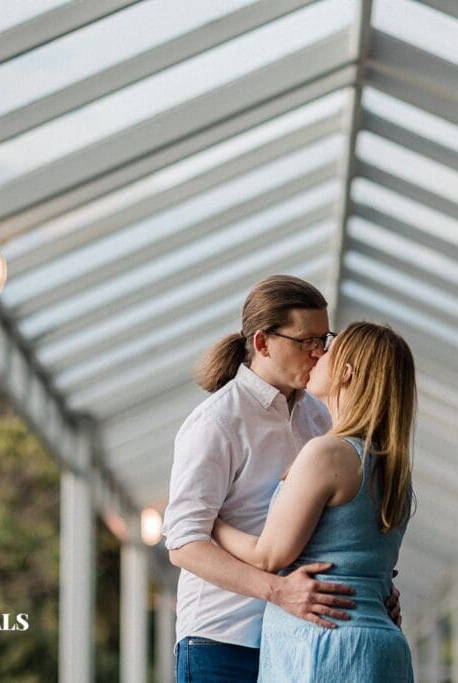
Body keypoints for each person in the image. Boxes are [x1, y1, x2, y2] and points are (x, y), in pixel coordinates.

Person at [162, 276, 400, 681]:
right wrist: (278, 591)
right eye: (305, 341)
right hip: (224, 638)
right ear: (262, 343)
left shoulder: (321, 418)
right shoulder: (218, 421)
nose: (318, 352)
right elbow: (183, 544)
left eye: (323, 340)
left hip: (299, 638)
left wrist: (371, 589)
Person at [211, 321, 416, 682]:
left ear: (347, 373)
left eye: (329, 349)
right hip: (382, 648)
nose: (318, 354)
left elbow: (269, 556)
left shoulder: (328, 453)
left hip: (324, 646)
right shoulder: (393, 468)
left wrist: (211, 523)